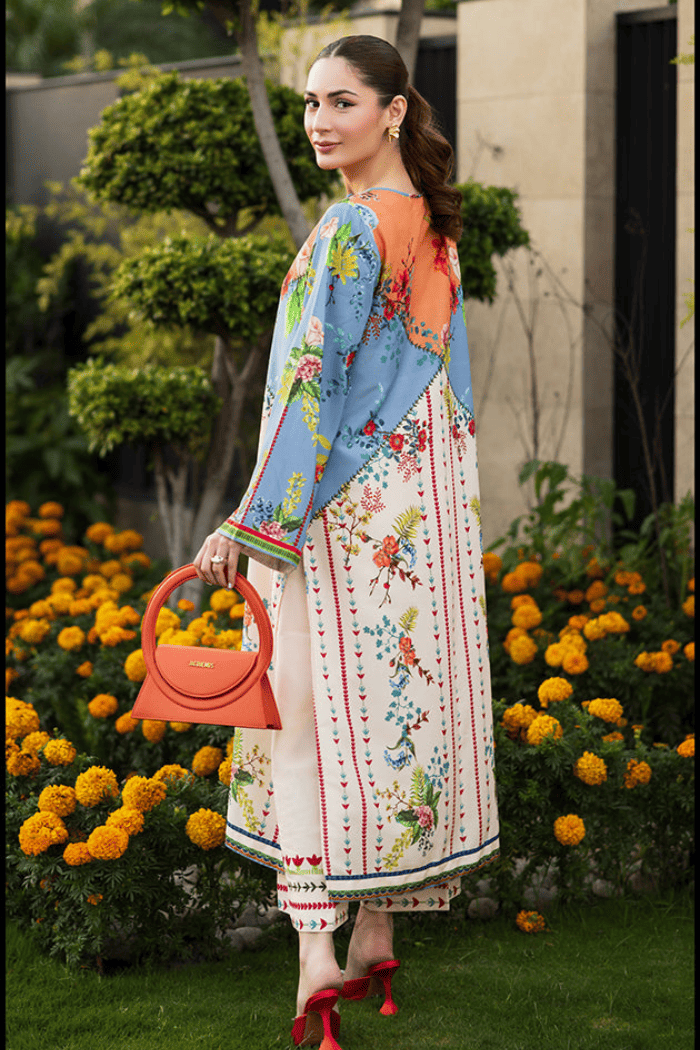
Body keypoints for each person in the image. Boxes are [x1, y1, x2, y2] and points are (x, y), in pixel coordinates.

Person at [194, 34, 499, 1050]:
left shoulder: (346, 231)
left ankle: (315, 953)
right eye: (310, 103)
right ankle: (377, 929)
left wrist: (253, 522)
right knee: (392, 710)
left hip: (335, 513)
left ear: (394, 110)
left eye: (341, 102)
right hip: (421, 514)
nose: (319, 121)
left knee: (300, 722)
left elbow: (307, 388)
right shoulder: (437, 232)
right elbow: (449, 393)